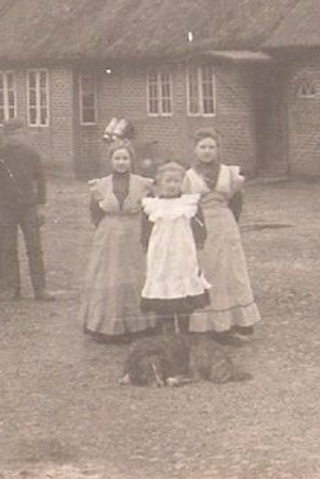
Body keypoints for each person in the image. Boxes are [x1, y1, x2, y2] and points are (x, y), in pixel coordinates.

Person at [183, 128, 261, 340]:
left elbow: (237, 202)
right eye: (203, 147)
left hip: (226, 225)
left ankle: (236, 319)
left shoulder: (229, 173)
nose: (207, 151)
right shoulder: (189, 176)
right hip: (202, 225)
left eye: (211, 147)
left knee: (231, 270)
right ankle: (209, 322)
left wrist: (230, 224)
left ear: (217, 149)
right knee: (208, 271)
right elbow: (186, 206)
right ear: (195, 150)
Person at [80, 141, 158, 342]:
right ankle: (106, 325)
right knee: (109, 277)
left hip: (134, 233)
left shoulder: (143, 184)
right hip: (109, 235)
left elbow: (150, 211)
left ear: (131, 161)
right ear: (111, 161)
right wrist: (106, 230)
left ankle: (139, 325)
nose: (121, 162)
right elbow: (95, 212)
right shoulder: (100, 185)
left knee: (134, 276)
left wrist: (146, 235)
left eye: (125, 158)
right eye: (117, 158)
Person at [140, 161, 211, 334]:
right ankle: (168, 332)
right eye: (168, 181)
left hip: (183, 253)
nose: (172, 185)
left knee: (183, 289)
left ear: (182, 183)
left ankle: (185, 331)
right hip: (161, 255)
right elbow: (145, 231)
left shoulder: (189, 204)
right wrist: (147, 249)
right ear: (159, 182)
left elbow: (200, 229)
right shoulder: (152, 205)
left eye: (176, 181)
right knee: (164, 289)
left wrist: (198, 247)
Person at [0, 119, 54, 301]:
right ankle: (13, 288)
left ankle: (40, 289)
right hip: (5, 208)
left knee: (34, 248)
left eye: (17, 133)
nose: (14, 138)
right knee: (8, 248)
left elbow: (40, 180)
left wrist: (41, 206)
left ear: (24, 134)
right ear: (5, 136)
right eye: (10, 134)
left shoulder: (31, 154)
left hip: (28, 207)